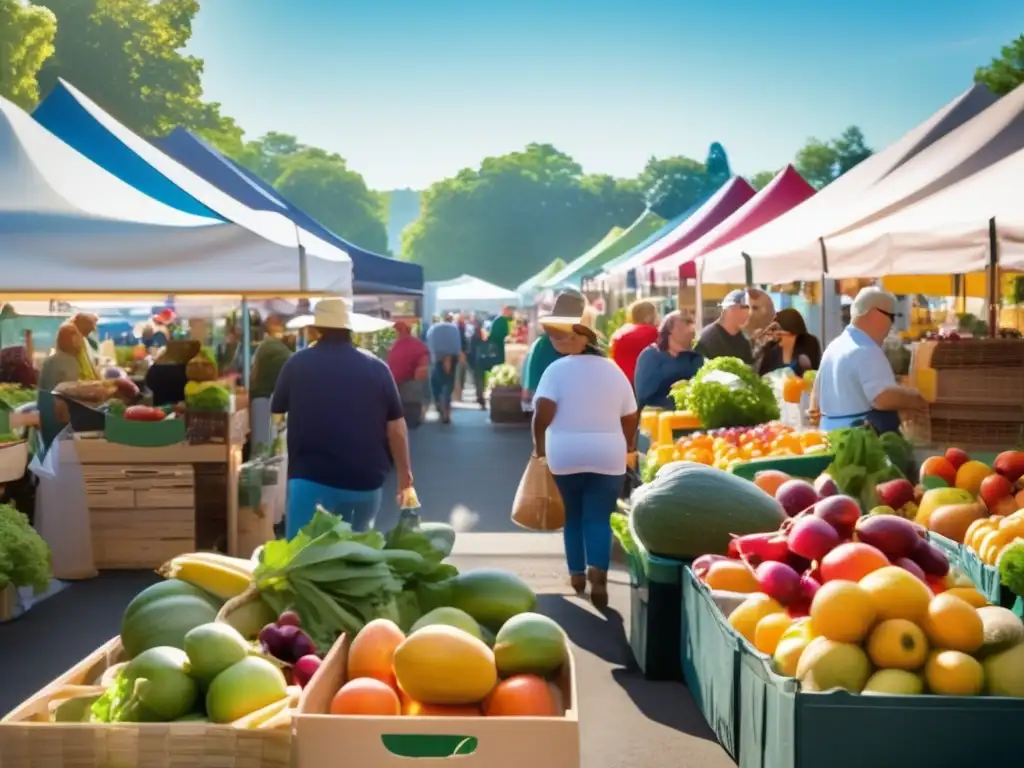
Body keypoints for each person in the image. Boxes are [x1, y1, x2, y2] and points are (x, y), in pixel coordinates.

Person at [531, 292, 639, 610]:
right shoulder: (613, 370)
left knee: (573, 517)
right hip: (608, 452)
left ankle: (577, 576)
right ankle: (599, 572)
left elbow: (542, 413)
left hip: (564, 453)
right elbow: (630, 415)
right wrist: (628, 444)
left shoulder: (556, 371)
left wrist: (539, 448)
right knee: (598, 517)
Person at [272, 299, 413, 537]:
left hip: (310, 478)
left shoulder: (296, 364)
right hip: (364, 481)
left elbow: (277, 411)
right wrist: (405, 478)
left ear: (316, 329)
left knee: (301, 558)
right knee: (355, 558)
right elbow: (396, 429)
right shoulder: (377, 368)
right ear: (351, 329)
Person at [811, 287, 926, 433]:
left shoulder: (834, 346)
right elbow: (883, 398)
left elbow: (815, 400)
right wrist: (916, 398)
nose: (892, 325)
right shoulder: (866, 349)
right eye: (891, 317)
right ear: (874, 314)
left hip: (830, 437)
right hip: (860, 443)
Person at [634, 311, 704, 410]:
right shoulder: (651, 356)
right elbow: (645, 397)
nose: (692, 327)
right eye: (687, 322)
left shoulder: (696, 358)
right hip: (657, 419)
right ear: (670, 329)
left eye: (693, 323)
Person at [755, 308, 822, 378]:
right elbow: (761, 378)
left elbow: (813, 375)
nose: (775, 334)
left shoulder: (810, 344)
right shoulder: (770, 349)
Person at [388, 321, 430, 427]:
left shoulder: (417, 345)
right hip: (394, 388)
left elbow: (423, 367)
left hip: (409, 388)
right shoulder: (395, 344)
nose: (397, 331)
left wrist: (418, 375)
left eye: (399, 329)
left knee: (409, 424)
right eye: (397, 329)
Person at [695, 290, 754, 364]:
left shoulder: (744, 341)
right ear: (731, 308)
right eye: (746, 308)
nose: (750, 313)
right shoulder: (707, 339)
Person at [609, 299, 660, 386]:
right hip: (641, 383)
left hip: (619, 381)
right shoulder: (652, 332)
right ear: (649, 317)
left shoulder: (620, 333)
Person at [425, 312, 463, 424]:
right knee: (448, 383)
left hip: (438, 358)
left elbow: (428, 342)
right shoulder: (454, 328)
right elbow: (458, 345)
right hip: (452, 358)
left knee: (436, 383)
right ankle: (446, 408)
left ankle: (438, 404)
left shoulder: (434, 328)